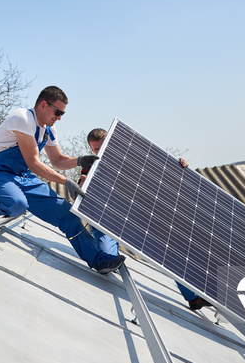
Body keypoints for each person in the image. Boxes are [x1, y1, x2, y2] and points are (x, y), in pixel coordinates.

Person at [0, 86, 125, 274]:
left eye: (62, 113)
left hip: (22, 177)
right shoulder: (22, 118)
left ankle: (98, 260)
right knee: (16, 205)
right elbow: (33, 163)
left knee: (67, 215)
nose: (60, 117)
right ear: (44, 105)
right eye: (58, 112)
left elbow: (57, 160)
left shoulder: (48, 129)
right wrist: (66, 182)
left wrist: (79, 160)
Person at [79, 128, 211, 311]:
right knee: (107, 261)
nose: (98, 152)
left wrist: (180, 167)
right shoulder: (90, 165)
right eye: (94, 149)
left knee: (165, 250)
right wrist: (83, 182)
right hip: (104, 219)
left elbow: (161, 172)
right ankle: (111, 252)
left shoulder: (133, 158)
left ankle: (193, 297)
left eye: (101, 147)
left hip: (131, 216)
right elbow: (82, 186)